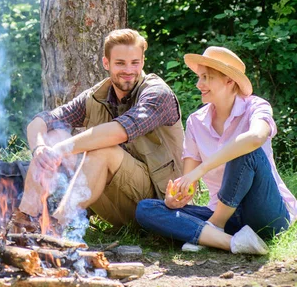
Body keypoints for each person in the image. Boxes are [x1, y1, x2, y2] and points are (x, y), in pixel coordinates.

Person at [16, 29, 184, 230]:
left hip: (161, 205)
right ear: (106, 63)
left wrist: (61, 149)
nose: (128, 70)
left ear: (143, 62)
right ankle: (25, 220)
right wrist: (40, 148)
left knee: (103, 149)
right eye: (120, 63)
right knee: (52, 136)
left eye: (135, 63)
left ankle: (55, 227)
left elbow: (119, 131)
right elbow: (41, 121)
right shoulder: (96, 96)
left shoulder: (158, 95)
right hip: (116, 201)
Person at [136, 46, 297, 254]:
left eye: (206, 77)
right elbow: (189, 183)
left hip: (266, 214)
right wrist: (176, 198)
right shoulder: (196, 121)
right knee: (146, 209)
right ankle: (232, 242)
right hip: (224, 215)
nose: (198, 84)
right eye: (199, 77)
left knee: (246, 148)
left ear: (229, 81)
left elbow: (256, 137)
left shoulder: (256, 107)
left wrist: (201, 170)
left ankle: (212, 229)